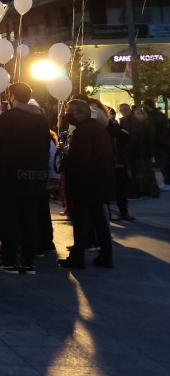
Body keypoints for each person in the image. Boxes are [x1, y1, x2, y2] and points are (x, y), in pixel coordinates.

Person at [0, 82, 50, 275]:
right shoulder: (40, 119)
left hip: (10, 177)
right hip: (35, 176)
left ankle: (9, 260)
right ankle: (29, 261)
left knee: (9, 219)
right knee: (30, 220)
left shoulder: (9, 117)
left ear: (12, 96)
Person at [58, 99, 116, 269]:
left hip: (86, 184)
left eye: (70, 111)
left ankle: (77, 257)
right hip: (100, 182)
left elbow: (80, 161)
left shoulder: (83, 132)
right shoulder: (99, 129)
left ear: (81, 113)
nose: (66, 114)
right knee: (100, 221)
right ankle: (106, 255)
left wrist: (68, 160)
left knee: (82, 221)